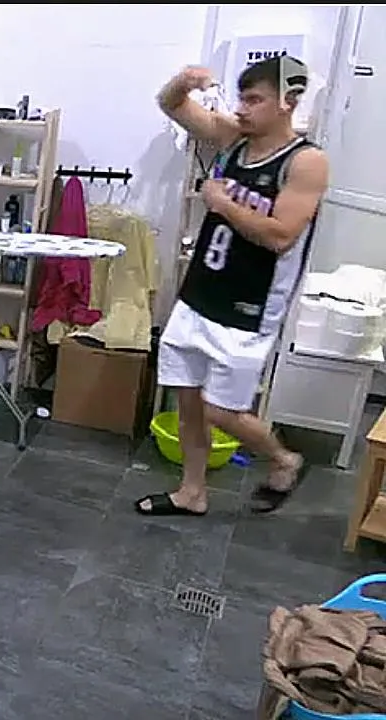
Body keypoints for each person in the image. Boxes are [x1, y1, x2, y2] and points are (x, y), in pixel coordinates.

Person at [135, 55, 330, 517]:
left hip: (249, 307)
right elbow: (171, 104)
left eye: (255, 99)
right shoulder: (234, 139)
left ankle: (284, 459)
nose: (242, 108)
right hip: (200, 294)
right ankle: (192, 492)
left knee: (221, 410)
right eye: (241, 98)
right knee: (187, 400)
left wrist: (222, 204)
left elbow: (281, 237)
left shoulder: (306, 162)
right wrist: (185, 80)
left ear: (287, 102)